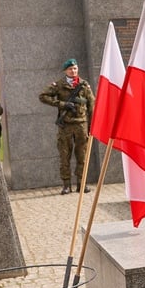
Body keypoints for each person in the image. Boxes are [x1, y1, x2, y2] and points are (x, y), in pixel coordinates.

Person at [40, 59, 95, 194]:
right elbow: (43, 96)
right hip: (66, 126)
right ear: (65, 71)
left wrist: (92, 126)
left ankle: (81, 184)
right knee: (65, 156)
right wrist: (62, 104)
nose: (73, 71)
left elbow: (91, 105)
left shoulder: (84, 85)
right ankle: (66, 185)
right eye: (70, 69)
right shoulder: (58, 85)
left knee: (82, 155)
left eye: (75, 68)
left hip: (81, 124)